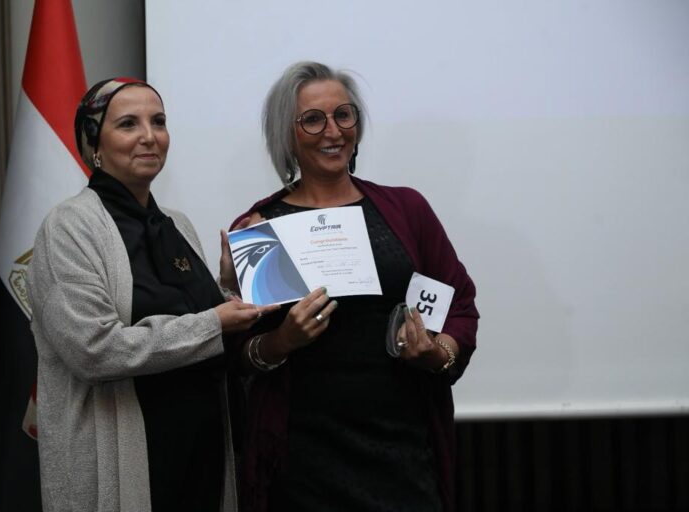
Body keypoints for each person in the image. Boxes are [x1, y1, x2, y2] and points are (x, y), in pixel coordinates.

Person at [228, 62, 479, 512]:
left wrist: (436, 353)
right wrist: (281, 338)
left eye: (343, 115)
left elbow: (458, 305)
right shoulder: (260, 227)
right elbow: (240, 356)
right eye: (313, 119)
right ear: (287, 135)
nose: (333, 131)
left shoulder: (406, 209)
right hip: (301, 459)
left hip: (402, 449)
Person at [27, 77, 276, 512]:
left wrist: (229, 288)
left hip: (201, 453)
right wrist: (214, 322)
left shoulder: (177, 225)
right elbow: (93, 350)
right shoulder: (69, 227)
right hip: (126, 463)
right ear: (93, 144)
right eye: (128, 124)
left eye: (158, 121)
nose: (149, 136)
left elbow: (194, 321)